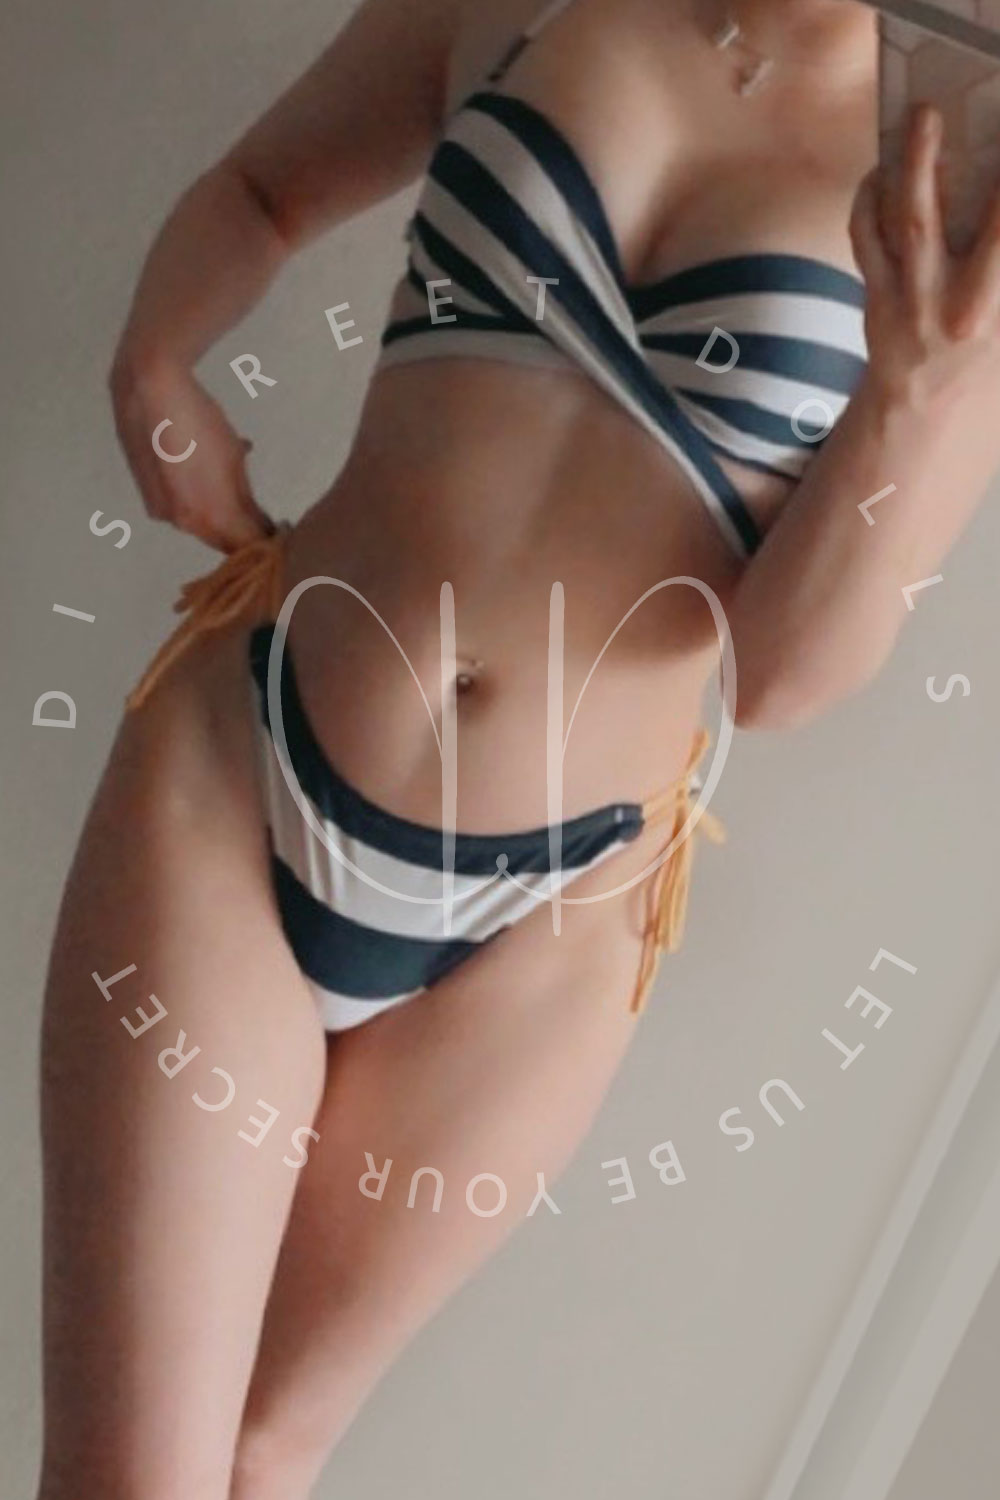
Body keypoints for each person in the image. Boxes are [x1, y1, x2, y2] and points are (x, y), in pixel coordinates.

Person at [36, 0, 1000, 1496]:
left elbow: (776, 678)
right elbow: (264, 193)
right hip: (246, 766)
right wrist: (158, 366)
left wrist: (916, 400)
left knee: (264, 1464)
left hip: (553, 918)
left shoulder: (969, 160)